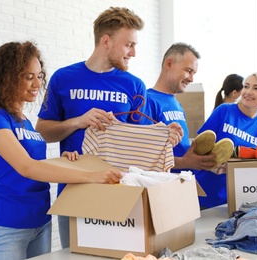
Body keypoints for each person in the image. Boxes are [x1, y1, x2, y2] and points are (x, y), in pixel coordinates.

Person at [35, 7, 183, 249]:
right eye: (129, 45)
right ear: (106, 41)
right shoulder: (63, 78)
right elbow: (42, 131)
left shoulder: (134, 85)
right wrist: (78, 121)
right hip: (74, 192)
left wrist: (166, 133)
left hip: (121, 196)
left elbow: (141, 143)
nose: (134, 53)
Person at [0, 41, 122, 260]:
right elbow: (27, 167)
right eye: (28, 76)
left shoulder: (23, 121)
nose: (36, 83)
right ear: (7, 78)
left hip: (39, 222)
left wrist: (62, 161)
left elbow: (33, 162)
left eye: (39, 76)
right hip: (7, 226)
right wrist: (91, 176)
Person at [194, 72, 257, 209]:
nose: (248, 92)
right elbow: (198, 146)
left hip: (232, 198)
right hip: (202, 190)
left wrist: (233, 167)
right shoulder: (224, 111)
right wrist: (212, 165)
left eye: (256, 88)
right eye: (246, 86)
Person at [144, 42, 216, 172]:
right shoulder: (148, 101)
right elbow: (145, 155)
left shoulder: (177, 105)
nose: (191, 79)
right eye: (188, 71)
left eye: (194, 73)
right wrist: (184, 163)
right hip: (161, 186)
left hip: (182, 183)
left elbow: (181, 150)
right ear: (169, 64)